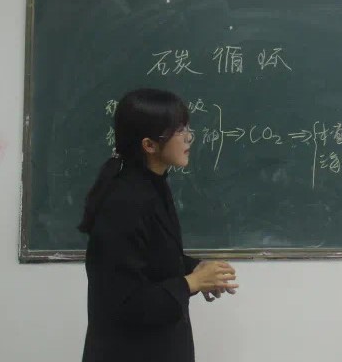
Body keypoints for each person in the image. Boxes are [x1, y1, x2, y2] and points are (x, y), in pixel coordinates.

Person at [78, 88, 238, 362]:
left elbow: (153, 259)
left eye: (187, 128)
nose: (188, 137)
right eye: (178, 131)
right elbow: (125, 303)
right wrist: (191, 283)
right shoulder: (123, 203)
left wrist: (196, 269)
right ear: (149, 145)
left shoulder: (152, 186)